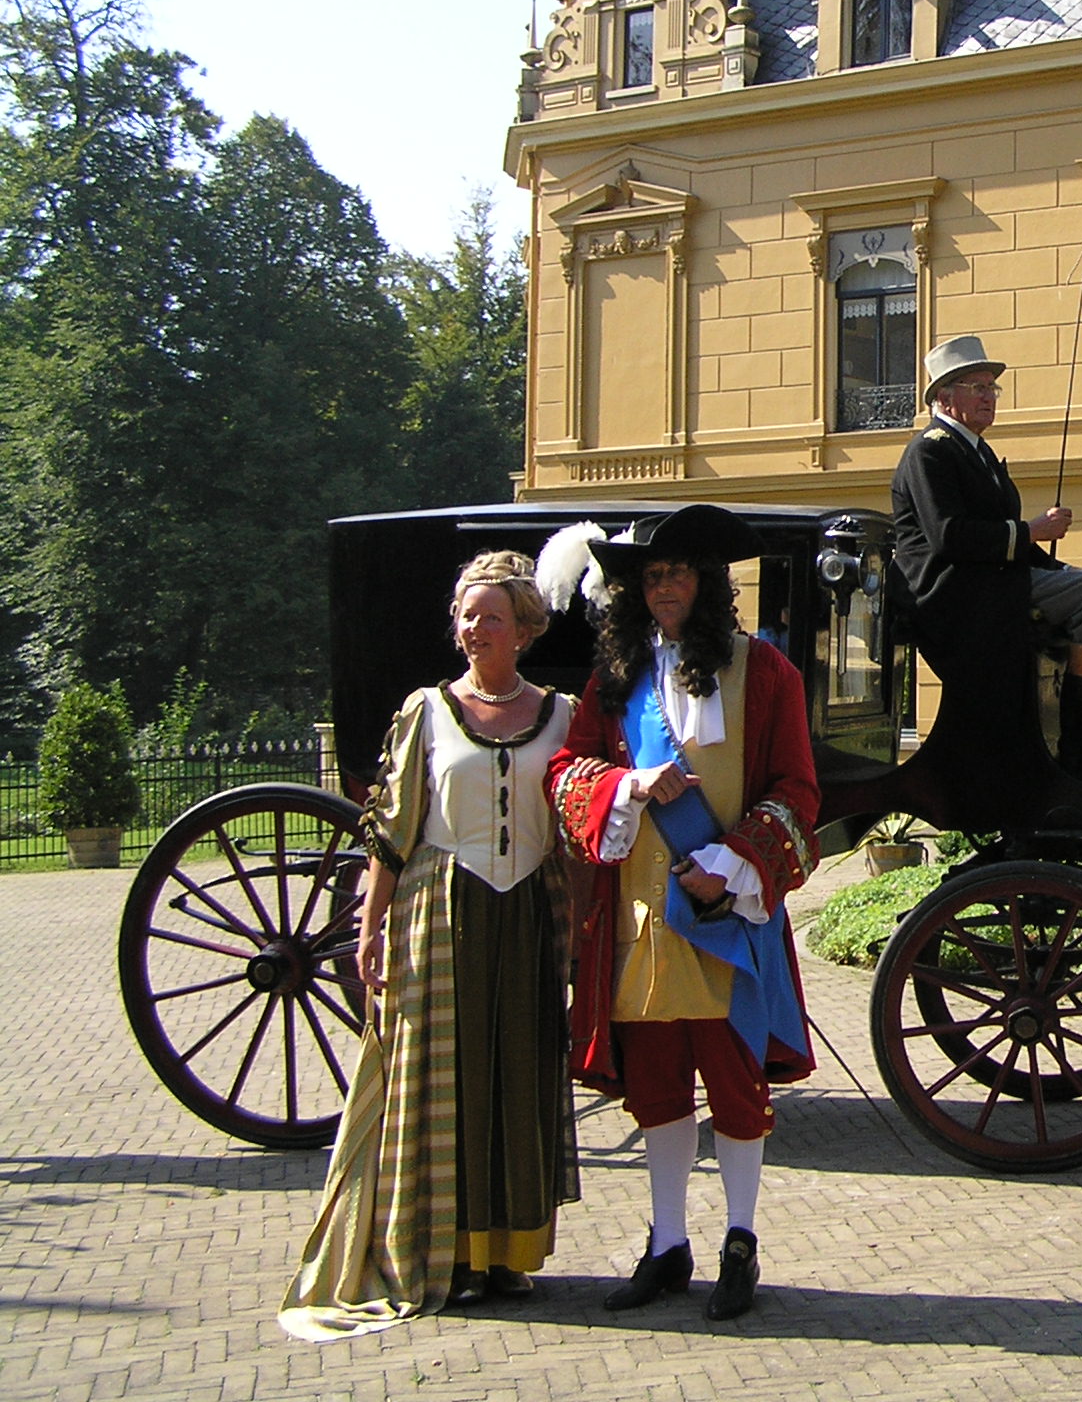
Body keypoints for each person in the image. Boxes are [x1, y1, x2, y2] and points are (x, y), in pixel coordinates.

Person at [279, 553, 579, 1341]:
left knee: (518, 1075)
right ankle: (444, 1254)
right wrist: (369, 929)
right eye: (466, 615)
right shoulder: (428, 713)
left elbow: (582, 831)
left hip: (529, 918)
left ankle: (507, 1254)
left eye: (491, 616)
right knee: (443, 1083)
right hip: (440, 911)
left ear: (524, 627)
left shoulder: (563, 715)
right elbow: (391, 833)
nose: (475, 628)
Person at [545, 504, 820, 1323]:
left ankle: (739, 1241)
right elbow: (568, 773)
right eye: (650, 577)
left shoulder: (766, 673)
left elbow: (799, 794)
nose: (664, 588)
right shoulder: (613, 684)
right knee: (656, 1090)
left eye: (677, 573)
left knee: (736, 1093)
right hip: (637, 927)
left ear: (706, 585)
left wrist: (735, 861)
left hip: (726, 918)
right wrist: (627, 786)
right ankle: (668, 1243)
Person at [890, 333, 1082, 781]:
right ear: (944, 398)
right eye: (977, 387)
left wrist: (1058, 566)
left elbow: (1011, 540)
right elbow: (949, 536)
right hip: (956, 596)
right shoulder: (930, 451)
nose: (989, 397)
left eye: (992, 388)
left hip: (993, 584)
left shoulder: (975, 452)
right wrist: (1032, 531)